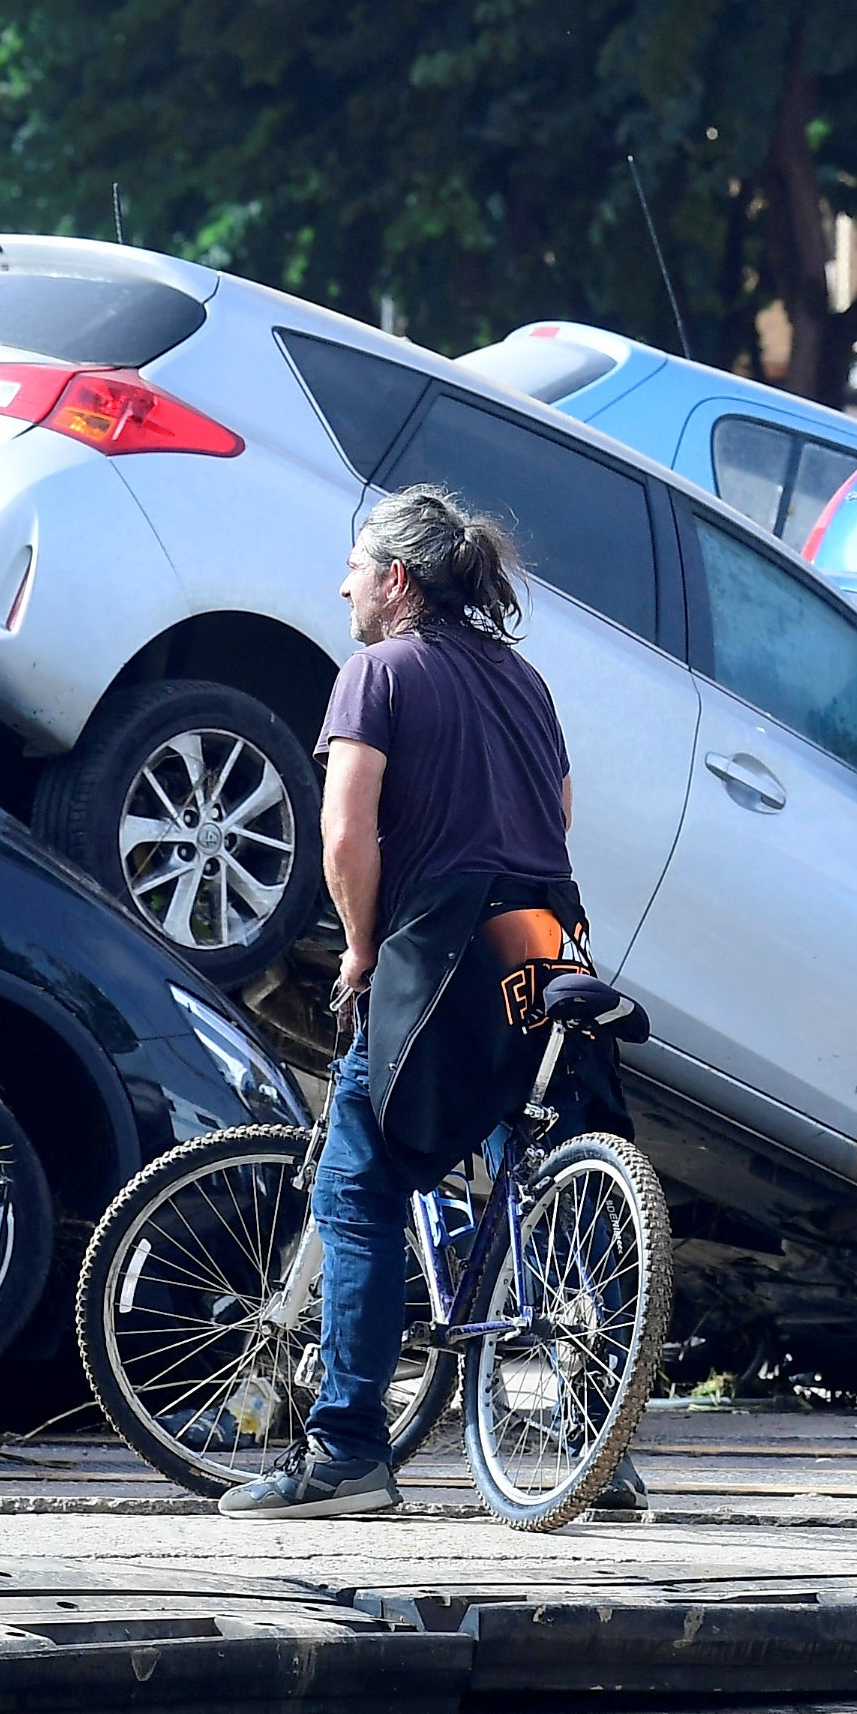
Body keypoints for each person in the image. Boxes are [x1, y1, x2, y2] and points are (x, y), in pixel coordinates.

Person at [220, 483, 602, 1519]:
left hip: (447, 936)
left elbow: (346, 835)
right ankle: (596, 1435)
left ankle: (347, 1450)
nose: (340, 582)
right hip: (546, 929)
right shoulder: (523, 679)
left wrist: (356, 950)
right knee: (544, 1159)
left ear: (394, 580)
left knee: (358, 1184)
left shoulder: (377, 672)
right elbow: (559, 814)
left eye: (353, 563)